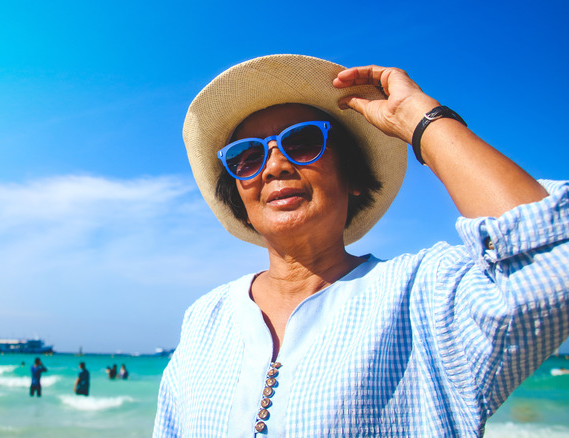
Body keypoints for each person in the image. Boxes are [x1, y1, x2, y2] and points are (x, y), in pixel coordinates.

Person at [154, 55, 569, 437]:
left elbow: (553, 263)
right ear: (239, 200)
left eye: (302, 143)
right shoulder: (206, 318)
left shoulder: (422, 295)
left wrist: (420, 120)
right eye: (247, 156)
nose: (275, 165)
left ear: (352, 177)